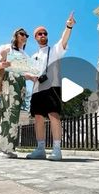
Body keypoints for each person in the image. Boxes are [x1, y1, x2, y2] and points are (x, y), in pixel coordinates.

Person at [26, 12, 76, 161]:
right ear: (35, 37)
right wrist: (30, 76)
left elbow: (64, 40)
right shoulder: (32, 56)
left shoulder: (54, 50)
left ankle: (57, 149)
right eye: (39, 34)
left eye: (45, 33)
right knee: (38, 118)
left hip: (52, 87)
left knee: (54, 115)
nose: (42, 35)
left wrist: (68, 26)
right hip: (36, 90)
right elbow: (26, 73)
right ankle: (40, 149)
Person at [0, 28, 30, 158]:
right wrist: (2, 65)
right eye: (22, 34)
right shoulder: (8, 48)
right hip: (9, 83)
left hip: (20, 85)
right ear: (16, 35)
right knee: (10, 113)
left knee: (11, 115)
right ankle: (4, 149)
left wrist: (34, 76)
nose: (24, 37)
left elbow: (25, 73)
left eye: (26, 35)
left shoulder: (24, 55)